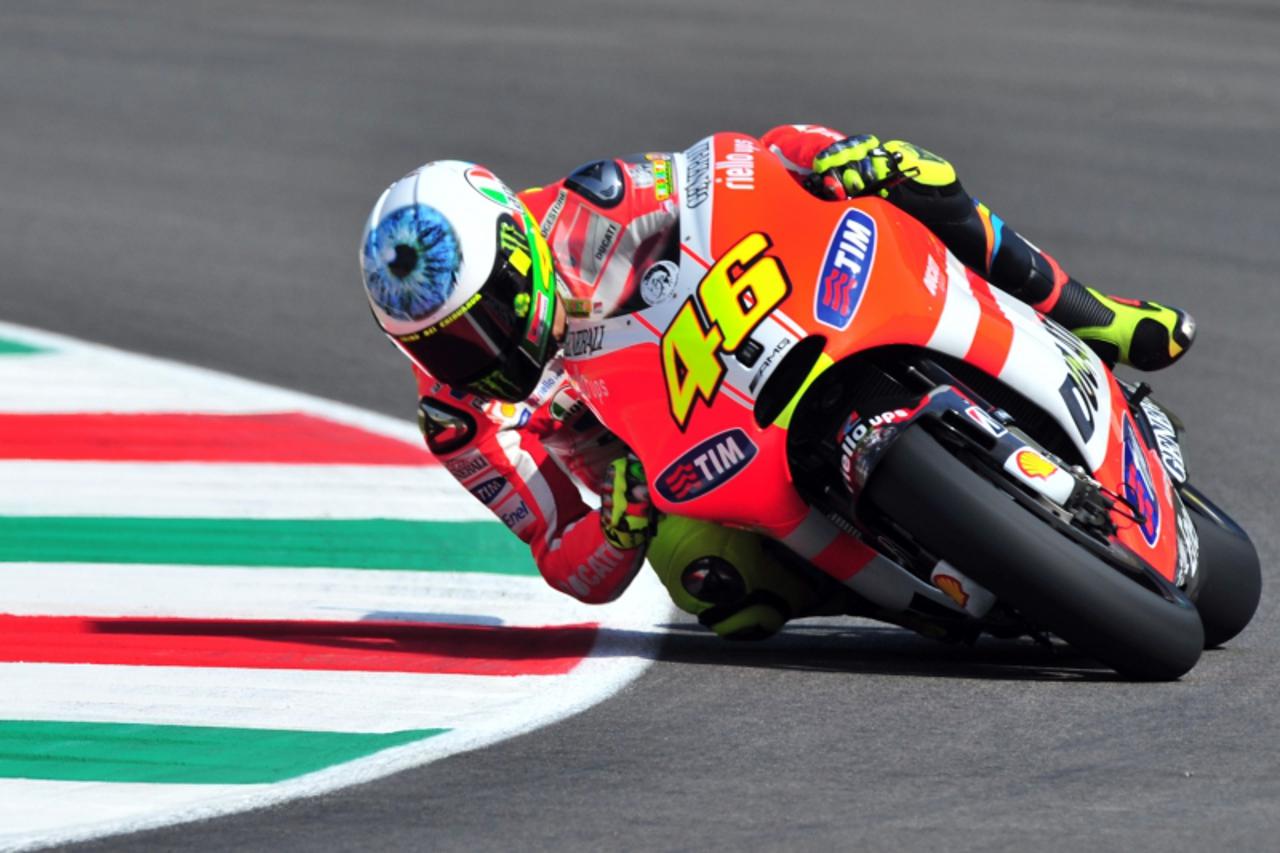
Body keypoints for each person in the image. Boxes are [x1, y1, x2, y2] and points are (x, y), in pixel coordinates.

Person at [358, 124, 1195, 640]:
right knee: (720, 592)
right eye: (447, 347)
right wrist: (616, 524)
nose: (482, 352)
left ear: (518, 254)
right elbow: (565, 559)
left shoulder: (592, 206)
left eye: (484, 318)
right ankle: (908, 583)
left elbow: (737, 167)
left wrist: (825, 159)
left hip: (750, 342)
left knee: (906, 173)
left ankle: (1089, 312)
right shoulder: (457, 420)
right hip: (673, 474)